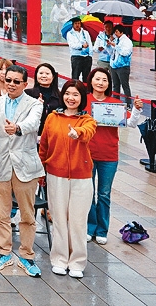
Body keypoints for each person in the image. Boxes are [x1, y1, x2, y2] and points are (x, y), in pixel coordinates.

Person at [0, 65, 45, 277]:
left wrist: (17, 128)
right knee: (1, 213)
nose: (11, 84)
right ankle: (3, 252)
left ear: (25, 84)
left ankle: (27, 255)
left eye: (16, 81)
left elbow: (32, 123)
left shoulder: (34, 104)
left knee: (27, 214)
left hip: (25, 166)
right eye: (8, 80)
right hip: (0, 164)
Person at [38, 80, 96, 278]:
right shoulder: (52, 117)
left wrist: (77, 133)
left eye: (76, 95)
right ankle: (60, 259)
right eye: (68, 94)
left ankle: (78, 262)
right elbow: (43, 145)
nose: (71, 98)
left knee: (78, 221)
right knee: (59, 219)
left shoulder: (87, 119)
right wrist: (41, 169)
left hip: (81, 177)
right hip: (56, 174)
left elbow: (88, 132)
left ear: (82, 98)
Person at [85, 68, 144, 245]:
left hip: (109, 156)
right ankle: (89, 227)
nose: (100, 82)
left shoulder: (114, 103)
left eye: (104, 80)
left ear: (109, 84)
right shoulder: (84, 100)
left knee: (104, 194)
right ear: (91, 81)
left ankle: (102, 230)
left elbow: (131, 123)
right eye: (97, 79)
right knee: (88, 192)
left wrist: (136, 110)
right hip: (87, 154)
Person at [24, 63, 63, 134]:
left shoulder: (60, 96)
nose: (44, 76)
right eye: (41, 73)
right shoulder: (28, 94)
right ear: (36, 75)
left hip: (53, 134)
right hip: (33, 135)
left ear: (53, 76)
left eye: (47, 73)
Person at [110, 24, 133, 104]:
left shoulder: (127, 41)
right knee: (115, 85)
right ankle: (115, 101)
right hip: (114, 66)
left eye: (116, 32)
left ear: (121, 32)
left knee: (125, 85)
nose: (115, 34)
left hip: (123, 66)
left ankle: (128, 103)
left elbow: (125, 53)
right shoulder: (117, 40)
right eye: (114, 32)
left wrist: (116, 46)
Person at [66, 17, 93, 82]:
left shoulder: (85, 32)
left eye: (79, 23)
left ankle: (86, 90)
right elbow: (72, 45)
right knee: (75, 76)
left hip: (86, 57)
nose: (77, 25)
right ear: (73, 24)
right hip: (76, 57)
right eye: (75, 23)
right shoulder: (70, 33)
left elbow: (90, 43)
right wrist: (81, 46)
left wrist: (90, 55)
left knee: (86, 77)